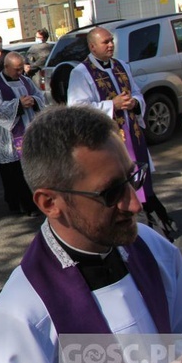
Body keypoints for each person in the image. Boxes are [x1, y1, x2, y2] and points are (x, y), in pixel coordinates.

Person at [0, 106, 182, 363]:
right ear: (50, 203)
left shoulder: (153, 249)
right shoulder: (22, 316)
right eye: (111, 192)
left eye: (132, 178)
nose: (135, 204)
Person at [67, 26, 175, 240]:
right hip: (108, 140)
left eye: (111, 41)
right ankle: (123, 228)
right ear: (92, 46)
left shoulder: (121, 66)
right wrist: (111, 105)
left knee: (141, 183)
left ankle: (149, 229)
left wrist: (135, 101)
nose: (110, 45)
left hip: (132, 136)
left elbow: (135, 92)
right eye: (105, 42)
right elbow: (77, 109)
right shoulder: (81, 73)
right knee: (117, 185)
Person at [0, 52, 45, 215]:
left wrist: (34, 100)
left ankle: (34, 202)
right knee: (15, 173)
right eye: (16, 69)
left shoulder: (25, 80)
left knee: (31, 169)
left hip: (29, 131)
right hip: (9, 136)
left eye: (21, 69)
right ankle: (20, 204)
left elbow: (40, 96)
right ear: (6, 67)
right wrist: (17, 105)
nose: (20, 72)